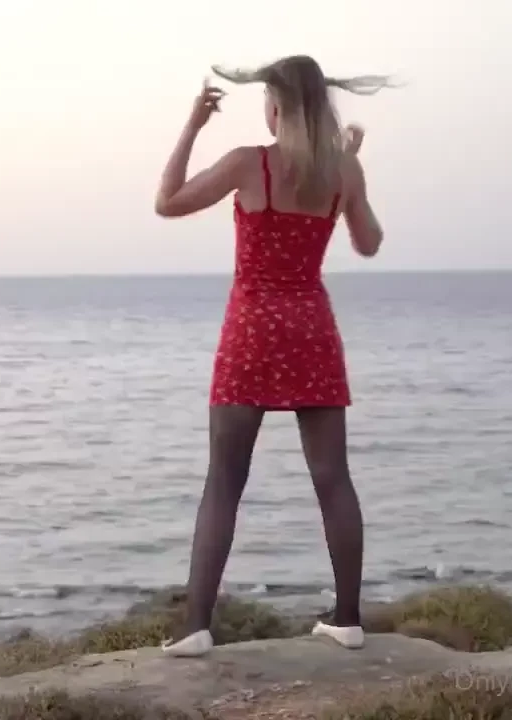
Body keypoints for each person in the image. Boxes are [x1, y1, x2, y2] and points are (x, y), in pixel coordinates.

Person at [152, 55, 392, 657]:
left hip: (253, 329)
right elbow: (368, 244)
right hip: (311, 327)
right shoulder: (342, 172)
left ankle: (196, 626)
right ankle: (348, 619)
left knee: (224, 480)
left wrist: (191, 127)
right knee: (332, 477)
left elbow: (168, 202)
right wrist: (352, 171)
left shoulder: (250, 163)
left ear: (277, 106)